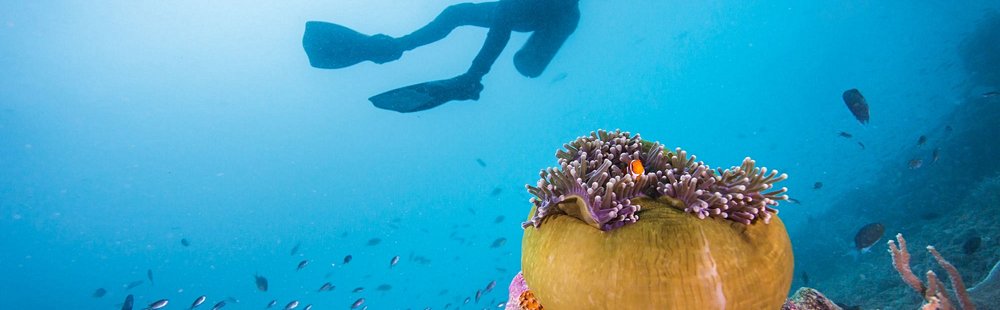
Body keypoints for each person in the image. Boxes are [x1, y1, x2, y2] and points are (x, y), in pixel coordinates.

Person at [302, 0, 581, 113]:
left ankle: (467, 79)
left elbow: (503, 22)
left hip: (555, 14)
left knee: (525, 61)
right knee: (456, 14)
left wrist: (474, 74)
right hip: (551, 15)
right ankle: (392, 47)